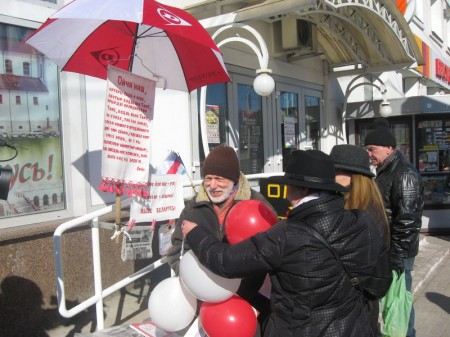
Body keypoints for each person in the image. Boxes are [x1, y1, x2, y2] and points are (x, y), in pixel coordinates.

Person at [182, 149, 384, 337]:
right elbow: (379, 285)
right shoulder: (363, 221)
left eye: (288, 183)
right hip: (353, 328)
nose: (285, 189)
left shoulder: (287, 235)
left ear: (302, 188)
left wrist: (195, 234)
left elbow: (226, 262)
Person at [166, 145, 276, 328]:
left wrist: (248, 293)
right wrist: (192, 282)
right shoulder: (194, 208)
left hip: (249, 299)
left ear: (234, 180)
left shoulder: (256, 205)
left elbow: (273, 250)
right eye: (208, 179)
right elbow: (176, 249)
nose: (212, 185)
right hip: (205, 301)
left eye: (219, 179)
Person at [364, 119, 424, 337]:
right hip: (388, 249)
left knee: (400, 301)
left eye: (372, 149)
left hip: (397, 252)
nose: (369, 154)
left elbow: (408, 221)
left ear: (389, 147)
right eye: (367, 149)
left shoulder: (404, 174)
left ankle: (407, 334)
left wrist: (397, 257)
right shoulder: (385, 170)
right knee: (395, 301)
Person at [330, 144, 392, 336]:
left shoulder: (360, 215)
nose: (330, 176)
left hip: (354, 304)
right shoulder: (369, 205)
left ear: (351, 175)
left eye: (335, 170)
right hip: (361, 304)